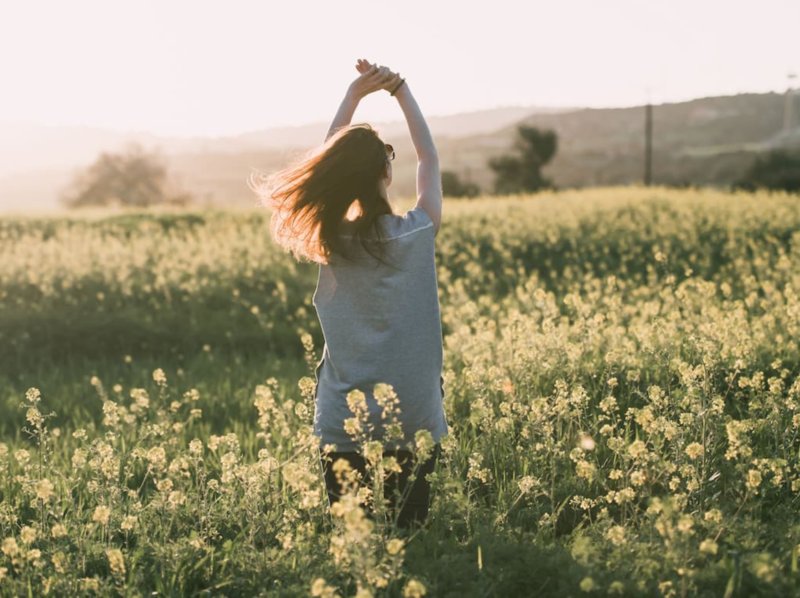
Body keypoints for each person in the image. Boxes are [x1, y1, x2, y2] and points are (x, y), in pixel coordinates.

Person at [250, 58, 447, 530]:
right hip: (415, 416)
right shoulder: (417, 232)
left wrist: (352, 96)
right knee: (410, 538)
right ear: (386, 171)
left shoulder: (330, 239)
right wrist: (399, 89)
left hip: (344, 423)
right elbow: (430, 160)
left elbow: (328, 167)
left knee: (352, 543)